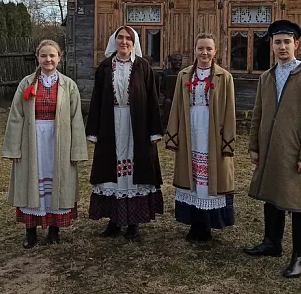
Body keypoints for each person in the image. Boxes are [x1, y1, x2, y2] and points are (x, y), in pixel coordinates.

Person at [244, 19, 301, 278]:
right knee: (272, 195)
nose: (282, 47)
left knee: (298, 203)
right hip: (269, 150)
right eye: (277, 42)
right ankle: (272, 243)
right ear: (271, 44)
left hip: (295, 152)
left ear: (296, 44)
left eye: (287, 42)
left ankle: (299, 256)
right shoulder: (267, 77)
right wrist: (254, 145)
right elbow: (258, 113)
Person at [1, 40, 88, 248]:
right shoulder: (26, 83)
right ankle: (30, 232)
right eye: (43, 56)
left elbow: (76, 119)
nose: (48, 60)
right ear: (37, 58)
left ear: (59, 57)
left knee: (58, 182)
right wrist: (14, 147)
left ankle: (54, 231)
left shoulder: (69, 85)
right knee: (31, 182)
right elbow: (16, 116)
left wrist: (77, 150)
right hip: (32, 139)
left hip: (60, 141)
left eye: (52, 55)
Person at [86, 26, 164, 239]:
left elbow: (152, 100)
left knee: (135, 170)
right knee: (112, 171)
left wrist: (154, 130)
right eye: (120, 38)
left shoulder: (143, 67)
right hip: (111, 124)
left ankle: (134, 223)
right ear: (114, 41)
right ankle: (114, 221)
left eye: (128, 38)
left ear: (134, 42)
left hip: (136, 125)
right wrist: (93, 131)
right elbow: (96, 100)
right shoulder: (104, 67)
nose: (124, 42)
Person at [165, 34, 236, 242]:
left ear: (215, 51)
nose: (204, 53)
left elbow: (230, 111)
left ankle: (207, 224)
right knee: (192, 174)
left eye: (208, 49)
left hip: (213, 131)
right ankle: (195, 223)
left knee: (210, 177)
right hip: (190, 129)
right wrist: (174, 134)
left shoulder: (225, 77)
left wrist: (228, 140)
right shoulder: (184, 75)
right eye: (200, 48)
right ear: (194, 50)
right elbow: (177, 105)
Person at [158, 53, 183, 126]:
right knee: (168, 103)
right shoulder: (166, 73)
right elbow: (162, 88)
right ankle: (166, 127)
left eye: (179, 60)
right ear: (171, 61)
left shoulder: (183, 73)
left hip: (180, 99)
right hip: (169, 98)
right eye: (175, 60)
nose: (178, 62)